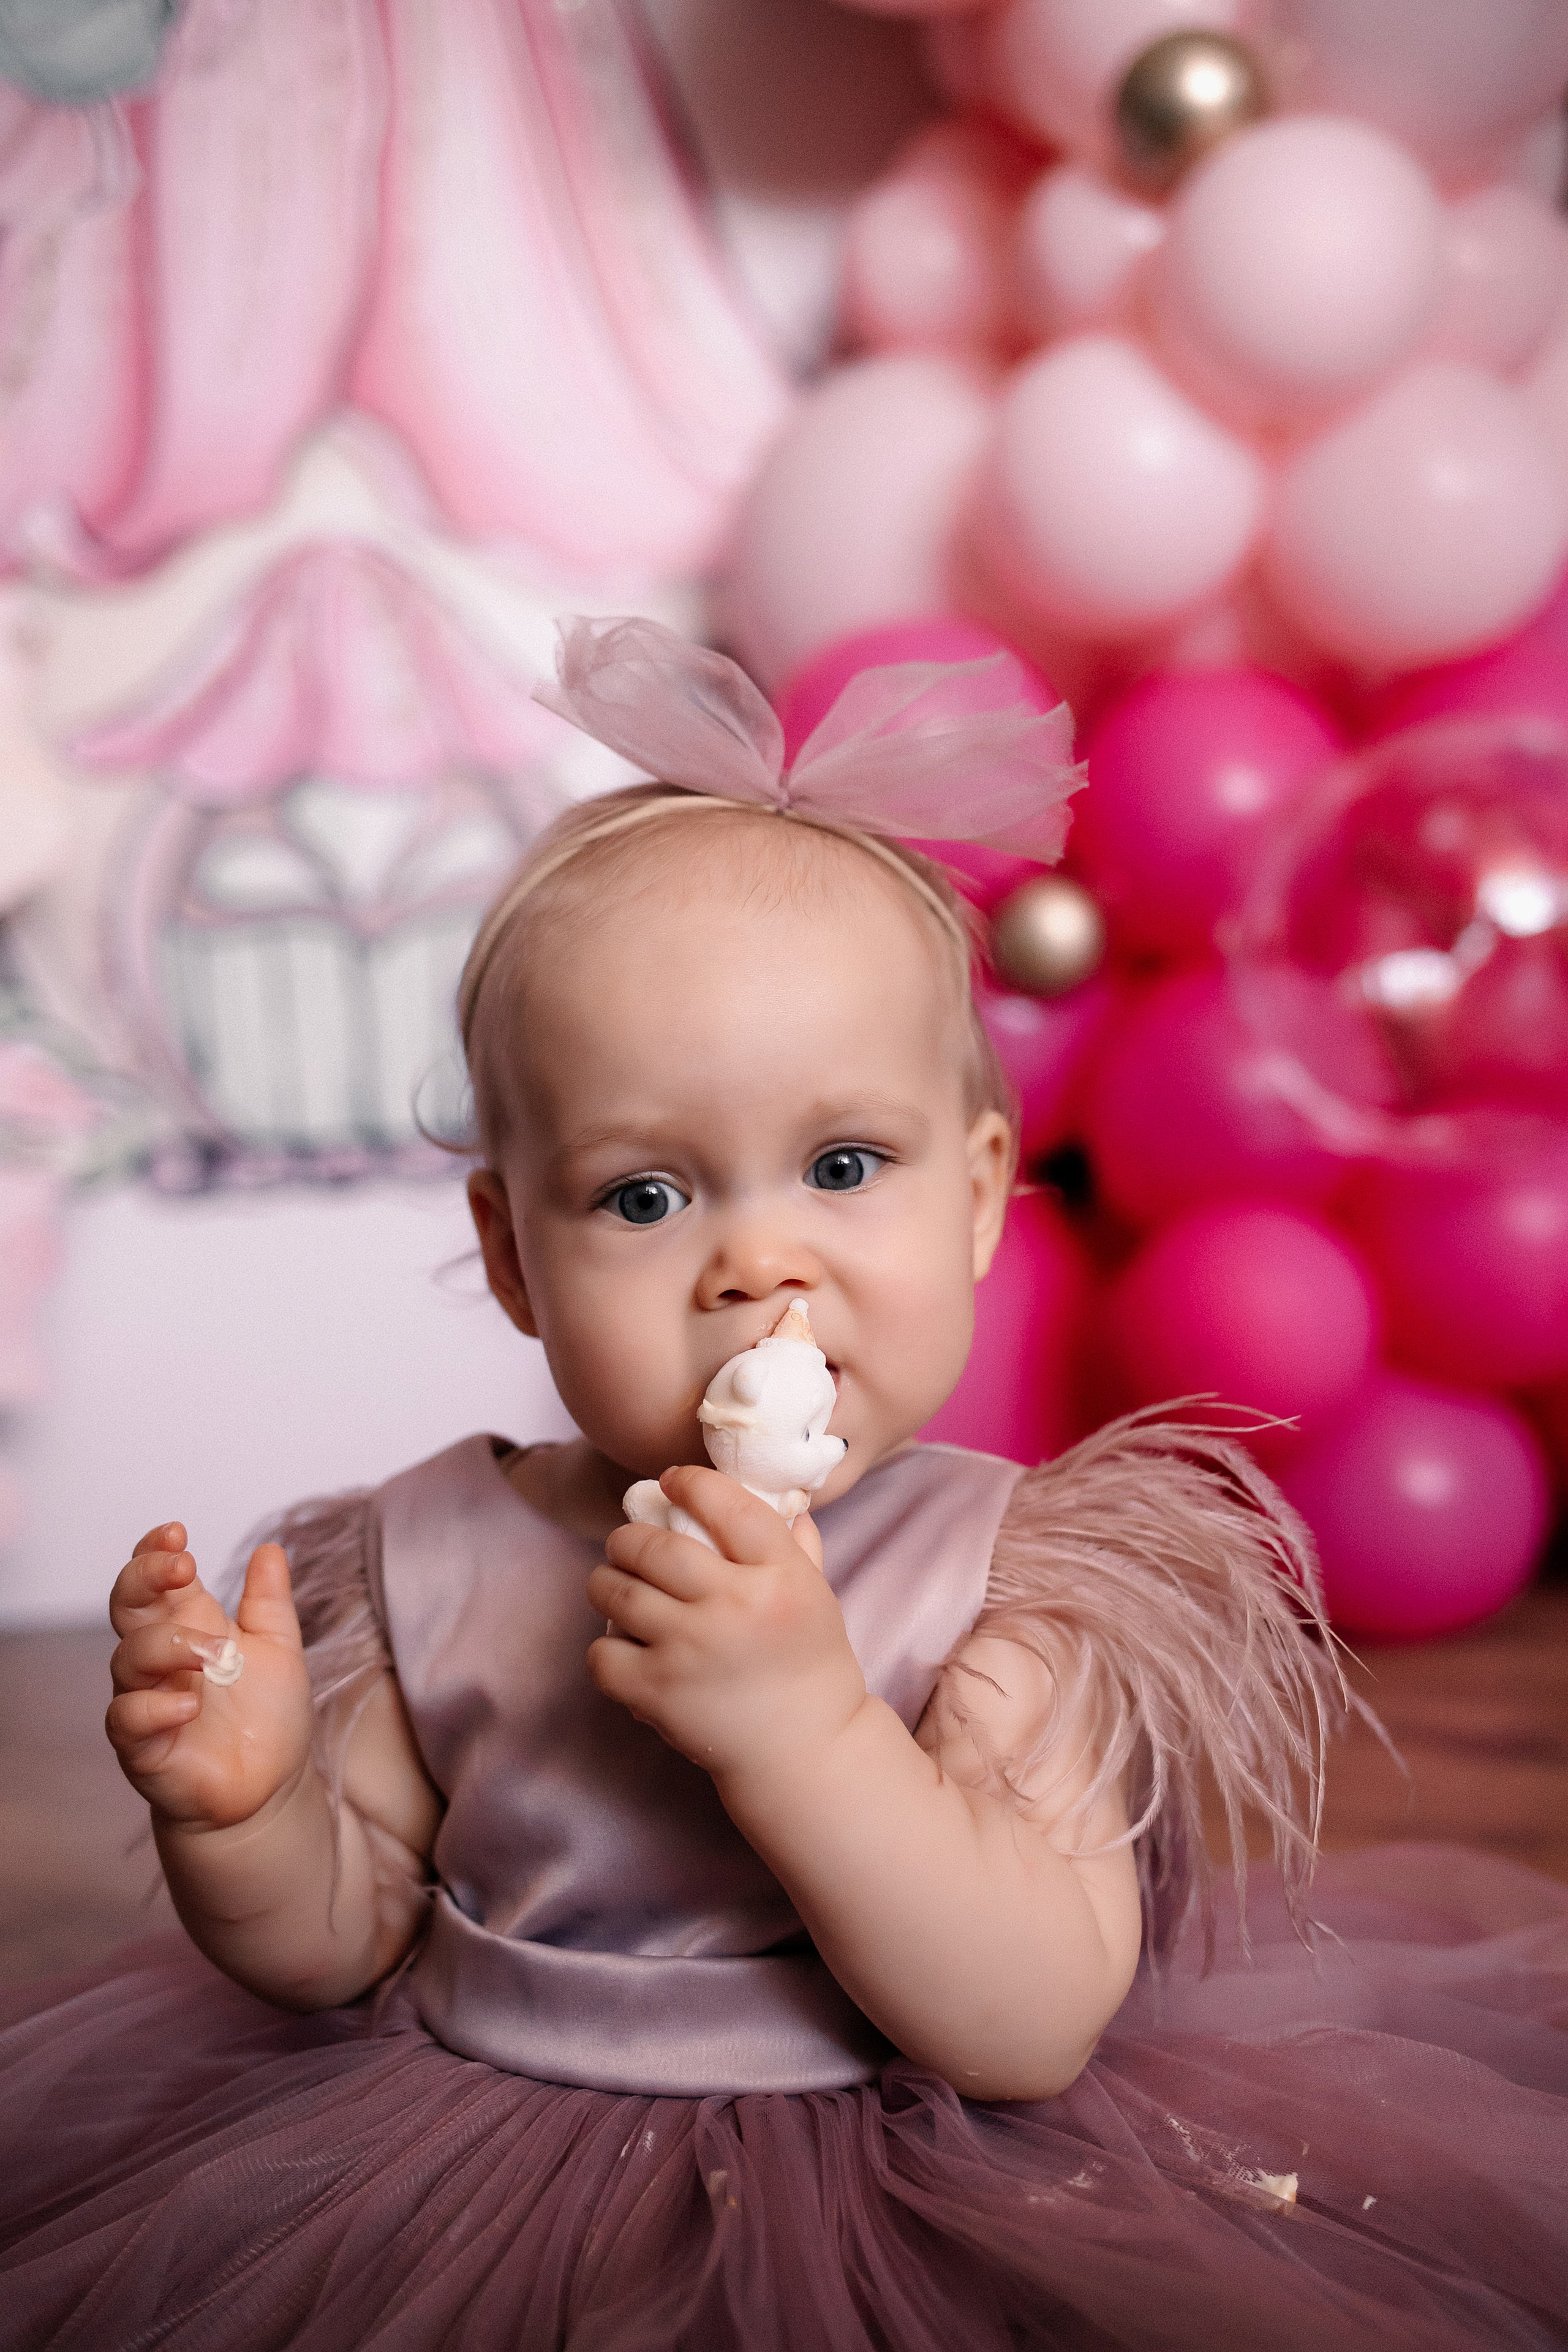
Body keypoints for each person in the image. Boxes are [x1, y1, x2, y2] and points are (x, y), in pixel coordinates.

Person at [1, 620, 1564, 2352]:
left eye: (842, 1164)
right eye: (646, 1197)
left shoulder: (1005, 1585)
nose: (761, 1264)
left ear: (978, 1195)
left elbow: (1031, 2021)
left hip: (891, 2168)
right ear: (512, 1257)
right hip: (479, 2156)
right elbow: (341, 1944)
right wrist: (244, 1821)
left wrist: (806, 1728)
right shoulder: (435, 1550)